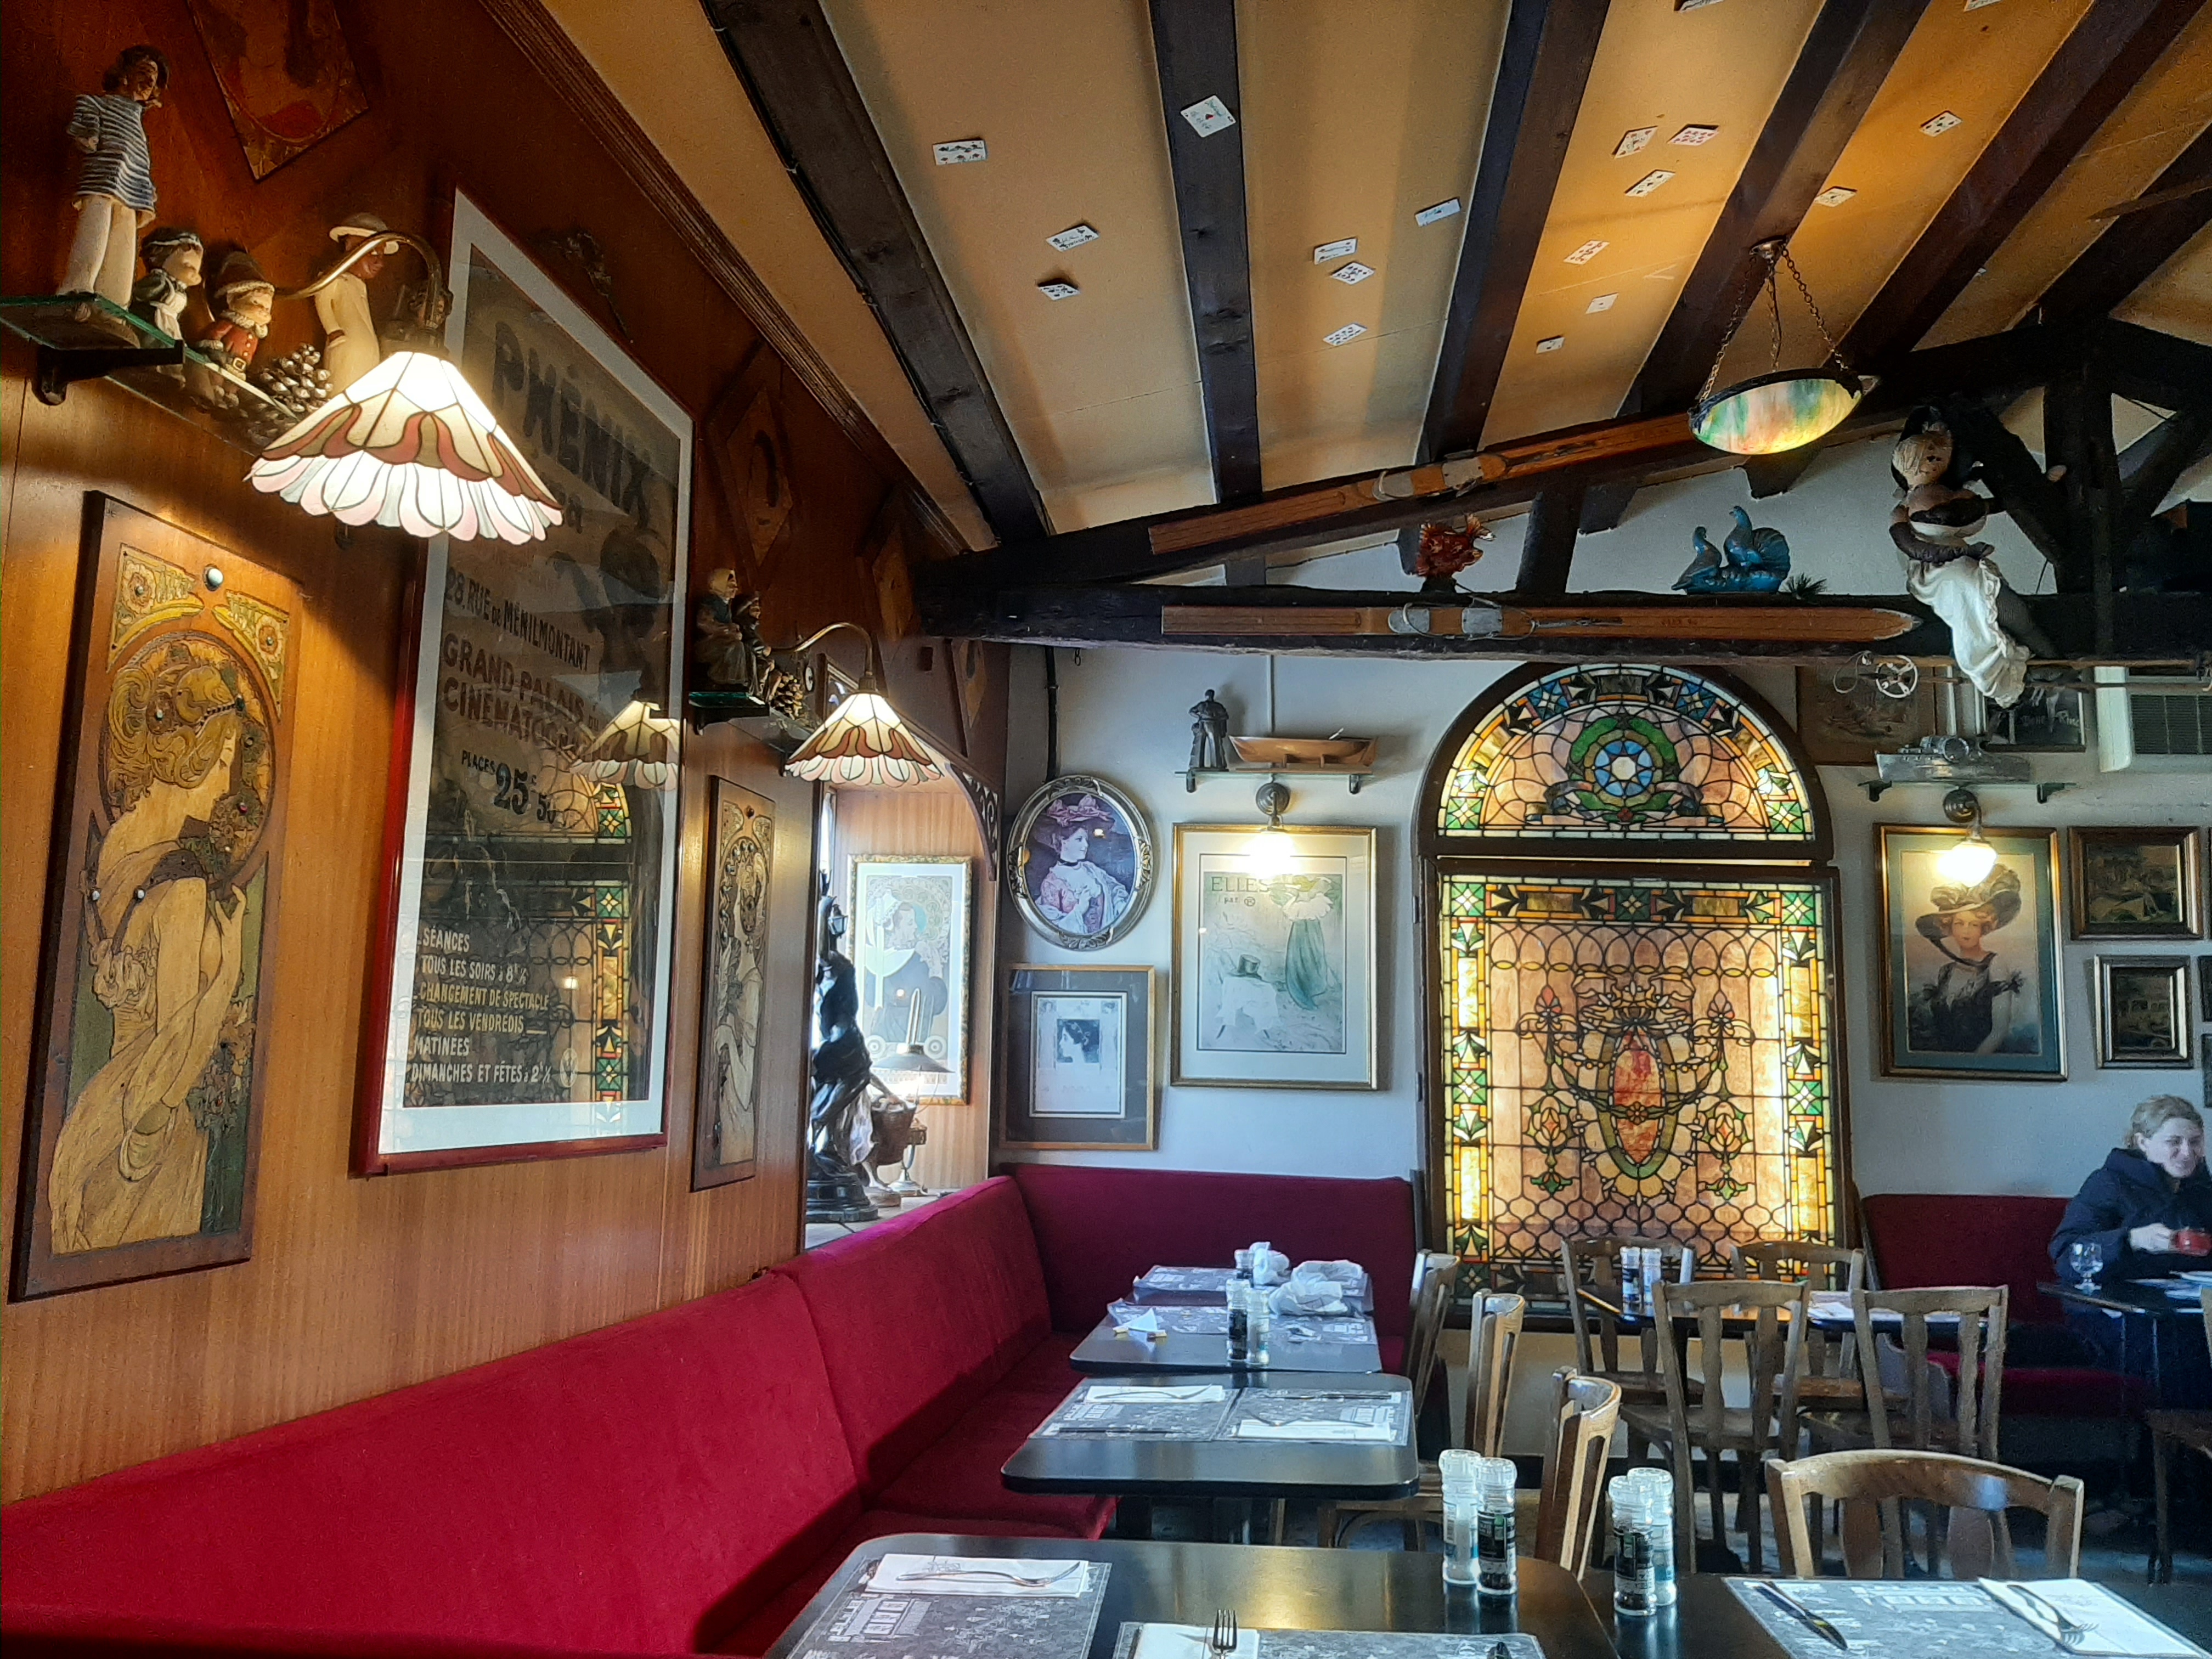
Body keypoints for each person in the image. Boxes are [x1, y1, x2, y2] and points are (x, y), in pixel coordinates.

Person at [2049, 1096, 2212, 1407]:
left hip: (2190, 1312)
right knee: (2174, 1351)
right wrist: (2133, 1240)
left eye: (2195, 1142)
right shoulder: (2109, 1183)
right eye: (2174, 1142)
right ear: (2143, 1142)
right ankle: (2171, 1435)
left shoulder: (2202, 1189)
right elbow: (2067, 1254)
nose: (2187, 1153)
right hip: (2115, 1316)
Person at [62, 46, 168, 308]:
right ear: (124, 75)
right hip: (102, 181)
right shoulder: (95, 104)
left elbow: (139, 159)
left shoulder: (138, 123)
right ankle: (77, 289)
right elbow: (84, 134)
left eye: (153, 79)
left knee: (124, 249)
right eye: (144, 72)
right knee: (94, 235)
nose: (149, 82)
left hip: (134, 193)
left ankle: (114, 307)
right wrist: (88, 135)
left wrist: (147, 188)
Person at [1907, 866, 2025, 1054]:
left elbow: (1999, 1031)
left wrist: (1973, 1064)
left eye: (1974, 924)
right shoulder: (1946, 972)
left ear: (1984, 928)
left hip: (1983, 1061)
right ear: (1951, 928)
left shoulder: (1995, 964)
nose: (1966, 931)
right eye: (1960, 924)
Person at [1028, 793, 1129, 939]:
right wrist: (1080, 910)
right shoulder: (1051, 883)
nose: (1086, 845)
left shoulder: (1091, 869)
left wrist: (1121, 906)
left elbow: (1114, 889)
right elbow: (1055, 930)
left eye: (1086, 840)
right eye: (1079, 840)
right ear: (1063, 841)